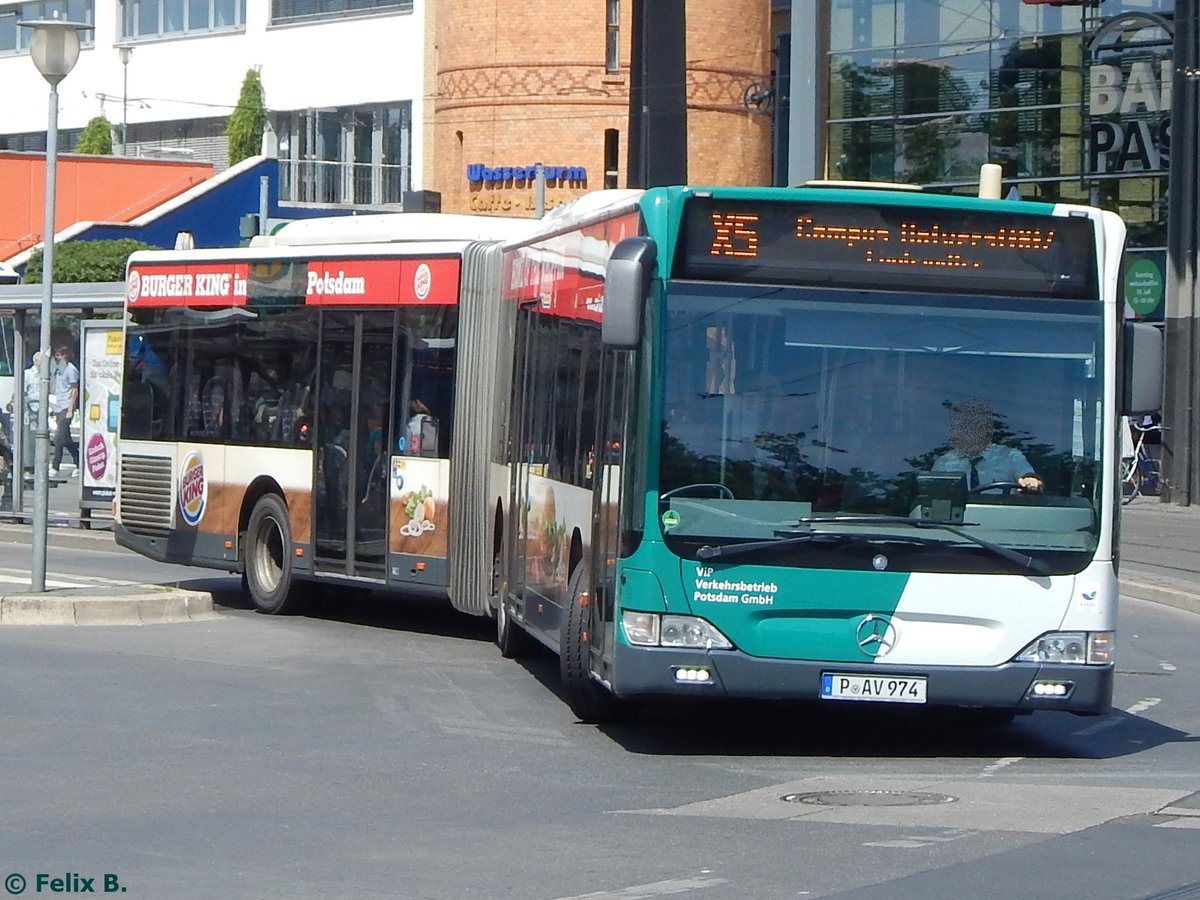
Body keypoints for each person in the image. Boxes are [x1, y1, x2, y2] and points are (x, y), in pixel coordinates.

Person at [932, 400, 1042, 493]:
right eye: (965, 427)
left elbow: (1028, 476)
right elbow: (932, 496)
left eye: (976, 426)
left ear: (986, 430)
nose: (970, 431)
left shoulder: (1010, 456)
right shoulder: (944, 463)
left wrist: (1030, 481)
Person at [50, 343, 81, 479]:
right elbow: (45, 370)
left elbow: (75, 390)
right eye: (57, 355)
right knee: (66, 439)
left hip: (66, 407)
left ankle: (55, 466)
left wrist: (70, 409)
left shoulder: (71, 369)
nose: (60, 357)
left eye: (62, 354)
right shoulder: (57, 368)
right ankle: (79, 462)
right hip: (58, 405)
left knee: (58, 437)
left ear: (67, 355)